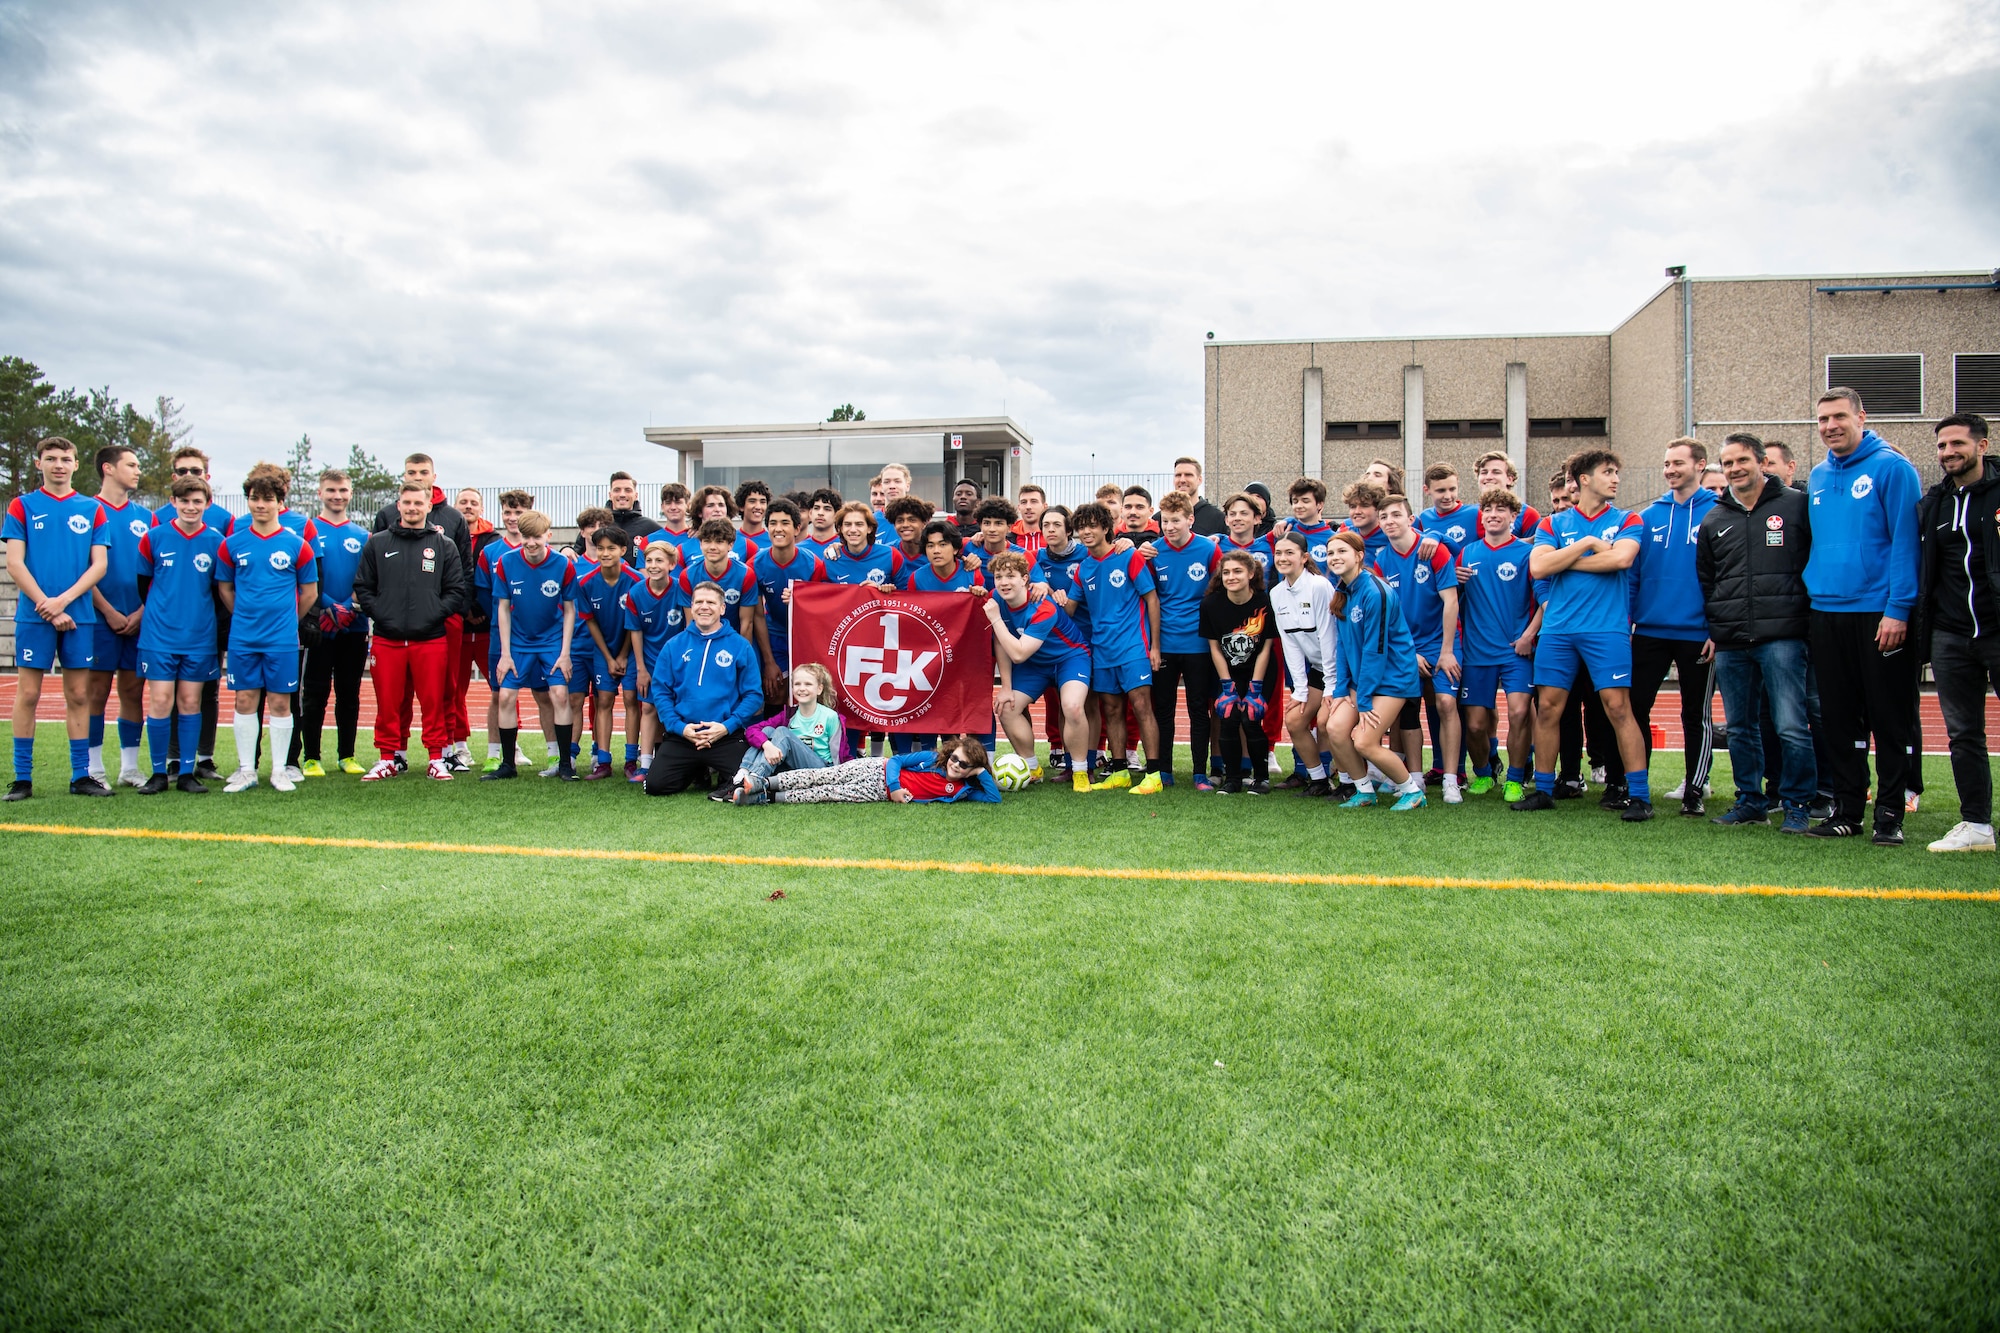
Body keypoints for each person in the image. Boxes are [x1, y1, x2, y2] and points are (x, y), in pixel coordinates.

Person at [1802, 387, 1922, 844]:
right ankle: (1848, 811)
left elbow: (1906, 544)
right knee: (1838, 719)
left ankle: (1890, 814)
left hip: (1878, 613)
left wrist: (1897, 609)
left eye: (1838, 417)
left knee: (1888, 719)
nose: (1830, 426)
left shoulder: (1893, 468)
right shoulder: (1816, 475)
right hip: (1826, 612)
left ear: (1860, 417)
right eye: (1822, 420)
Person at [1514, 449, 1655, 820]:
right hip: (1558, 630)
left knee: (1618, 708)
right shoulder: (1552, 524)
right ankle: (1544, 790)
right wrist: (1588, 545)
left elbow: (1621, 559)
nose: (1616, 479)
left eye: (1616, 472)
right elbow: (1539, 567)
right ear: (1584, 480)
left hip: (1606, 629)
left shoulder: (1629, 518)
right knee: (1547, 709)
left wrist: (1564, 560)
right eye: (1608, 472)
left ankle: (1639, 795)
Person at [1698, 434, 1817, 834]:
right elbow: (1708, 579)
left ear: (1762, 461)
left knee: (1789, 724)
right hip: (1731, 639)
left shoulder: (1796, 506)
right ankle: (1751, 800)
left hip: (1783, 635)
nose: (1734, 469)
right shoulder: (1715, 518)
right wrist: (1717, 626)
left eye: (1742, 460)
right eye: (1727, 462)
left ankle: (1798, 803)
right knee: (1740, 727)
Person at [4, 436, 111, 798]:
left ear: (76, 464)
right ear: (39, 464)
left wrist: (63, 601)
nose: (58, 465)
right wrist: (46, 605)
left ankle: (81, 776)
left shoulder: (92, 508)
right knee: (29, 694)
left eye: (66, 458)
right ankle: (22, 778)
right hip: (35, 616)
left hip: (78, 615)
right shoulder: (22, 506)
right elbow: (15, 562)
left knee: (79, 694)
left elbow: (99, 565)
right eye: (50, 458)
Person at [1916, 412, 1999, 852]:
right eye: (1942, 446)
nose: (1948, 452)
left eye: (1957, 444)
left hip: (1997, 629)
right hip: (1950, 635)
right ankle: (1977, 827)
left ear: (1982, 446)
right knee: (1964, 734)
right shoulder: (1936, 503)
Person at [1628, 437, 1719, 816]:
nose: (1670, 470)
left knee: (1694, 713)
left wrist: (1718, 629)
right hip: (1649, 630)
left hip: (1698, 634)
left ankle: (1695, 791)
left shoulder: (1719, 512)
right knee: (1635, 707)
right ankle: (1635, 785)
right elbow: (1633, 576)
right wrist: (1629, 620)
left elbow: (1726, 577)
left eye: (1678, 463)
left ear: (1700, 465)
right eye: (1666, 464)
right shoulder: (1648, 516)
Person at [353, 481, 468, 780]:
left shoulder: (444, 545)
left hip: (430, 638)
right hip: (387, 639)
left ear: (429, 506)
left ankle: (436, 758)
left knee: (434, 702)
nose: (413, 508)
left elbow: (456, 590)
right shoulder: (378, 543)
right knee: (388, 703)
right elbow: (363, 587)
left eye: (419, 503)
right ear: (399, 506)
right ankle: (387, 758)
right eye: (407, 503)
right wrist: (382, 615)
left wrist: (433, 615)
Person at [215, 466, 318, 793]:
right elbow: (225, 589)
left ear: (279, 502)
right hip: (244, 637)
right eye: (254, 498)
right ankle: (247, 770)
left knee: (280, 703)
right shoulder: (232, 544)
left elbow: (310, 593)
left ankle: (279, 770)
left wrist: (288, 619)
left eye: (267, 499)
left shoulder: (297, 544)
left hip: (282, 638)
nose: (260, 505)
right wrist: (244, 615)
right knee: (245, 699)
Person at [134, 475, 226, 794]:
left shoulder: (216, 542)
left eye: (196, 501)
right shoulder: (154, 537)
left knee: (190, 701)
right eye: (184, 501)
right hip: (159, 636)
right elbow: (144, 585)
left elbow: (219, 592)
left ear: (207, 504)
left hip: (199, 637)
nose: (190, 507)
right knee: (160, 700)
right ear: (173, 502)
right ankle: (159, 772)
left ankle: (187, 772)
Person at [1064, 501, 1164, 794]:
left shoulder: (1128, 556)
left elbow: (1152, 600)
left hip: (1133, 646)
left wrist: (1155, 647)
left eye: (1092, 525)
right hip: (1101, 649)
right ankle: (1119, 771)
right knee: (1111, 710)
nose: (1086, 531)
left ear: (1106, 528)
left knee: (1142, 707)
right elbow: (1069, 609)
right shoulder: (1084, 568)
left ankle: (1154, 774)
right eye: (1081, 527)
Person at [1324, 530, 1426, 810]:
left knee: (1364, 742)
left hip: (1393, 679)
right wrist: (1343, 689)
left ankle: (1412, 791)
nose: (1335, 557)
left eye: (1342, 551)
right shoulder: (1342, 592)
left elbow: (1376, 650)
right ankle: (1364, 790)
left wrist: (1364, 699)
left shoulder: (1375, 591)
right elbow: (1343, 646)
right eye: (1331, 553)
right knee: (1333, 727)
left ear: (1359, 556)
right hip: (1364, 681)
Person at [151, 446, 234, 780]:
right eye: (183, 471)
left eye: (196, 472)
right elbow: (150, 580)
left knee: (205, 692)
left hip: (207, 621)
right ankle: (173, 761)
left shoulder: (223, 523)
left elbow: (225, 575)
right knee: (168, 694)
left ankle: (204, 758)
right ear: (174, 479)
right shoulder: (157, 522)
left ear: (206, 478)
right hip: (168, 624)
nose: (189, 477)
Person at [1456, 488, 1543, 803]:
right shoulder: (1467, 554)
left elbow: (1546, 602)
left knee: (1520, 712)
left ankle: (1516, 779)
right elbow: (1452, 601)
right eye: (1488, 509)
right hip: (1477, 653)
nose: (1493, 514)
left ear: (1513, 517)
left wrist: (1528, 635)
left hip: (1515, 651)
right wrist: (1456, 581)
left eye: (1500, 510)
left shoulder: (1527, 553)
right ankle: (1483, 773)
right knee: (1476, 725)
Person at [1375, 494, 1462, 802]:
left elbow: (1450, 602)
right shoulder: (1382, 560)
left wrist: (1447, 651)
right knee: (1407, 707)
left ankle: (1451, 779)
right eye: (1384, 517)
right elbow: (1387, 615)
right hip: (1406, 647)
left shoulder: (1433, 551)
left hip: (1442, 643)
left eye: (1396, 515)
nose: (1389, 522)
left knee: (1445, 704)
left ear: (1411, 519)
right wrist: (1410, 653)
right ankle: (1414, 777)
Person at [985, 552, 1094, 792]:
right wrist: (1005, 688)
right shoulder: (996, 598)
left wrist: (995, 620)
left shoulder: (1042, 607)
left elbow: (1019, 653)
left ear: (1025, 579)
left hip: (1069, 657)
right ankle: (1032, 768)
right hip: (1036, 663)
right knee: (1007, 708)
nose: (1003, 582)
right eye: (998, 576)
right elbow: (1001, 644)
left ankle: (1079, 770)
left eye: (1010, 576)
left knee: (1073, 707)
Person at [484, 510, 579, 782]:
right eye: (526, 537)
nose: (531, 542)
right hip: (517, 643)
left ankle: (564, 765)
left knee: (560, 695)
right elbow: (502, 608)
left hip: (551, 642)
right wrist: (504, 653)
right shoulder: (506, 562)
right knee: (504, 697)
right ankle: (507, 764)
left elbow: (570, 610)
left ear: (548, 536)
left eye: (537, 537)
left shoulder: (563, 564)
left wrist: (565, 653)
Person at [644, 582, 763, 796]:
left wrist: (727, 726)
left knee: (745, 782)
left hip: (724, 735)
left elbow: (754, 695)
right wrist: (679, 727)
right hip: (684, 734)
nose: (704, 607)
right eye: (699, 602)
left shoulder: (740, 645)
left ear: (722, 608)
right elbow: (660, 691)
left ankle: (709, 768)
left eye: (711, 602)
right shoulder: (674, 645)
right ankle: (697, 768)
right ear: (691, 607)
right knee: (655, 786)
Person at [291, 468, 372, 778]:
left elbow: (367, 579)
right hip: (319, 626)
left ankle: (347, 755)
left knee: (349, 692)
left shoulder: (362, 535)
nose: (337, 496)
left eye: (342, 491)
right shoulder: (307, 531)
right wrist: (326, 607)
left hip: (353, 624)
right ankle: (311, 756)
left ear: (350, 494)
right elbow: (306, 578)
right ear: (320, 493)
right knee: (314, 692)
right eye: (331, 491)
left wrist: (349, 607)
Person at [85, 443, 151, 787]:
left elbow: (155, 573)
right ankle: (94, 769)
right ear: (108, 468)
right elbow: (82, 568)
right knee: (95, 691)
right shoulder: (86, 510)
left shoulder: (145, 517)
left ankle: (129, 768)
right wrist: (108, 611)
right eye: (131, 464)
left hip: (138, 619)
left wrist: (140, 611)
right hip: (98, 618)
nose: (138, 470)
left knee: (133, 691)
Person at [1146, 492, 1220, 789]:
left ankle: (1200, 773)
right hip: (1164, 644)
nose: (1170, 526)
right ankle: (1165, 770)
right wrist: (1154, 644)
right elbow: (1149, 599)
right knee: (1163, 709)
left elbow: (1219, 592)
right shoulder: (1153, 552)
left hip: (1199, 645)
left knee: (1198, 709)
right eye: (1165, 521)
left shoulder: (1208, 550)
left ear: (1190, 519)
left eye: (1176, 520)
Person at [1201, 549, 1279, 795]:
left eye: (1237, 571)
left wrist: (1256, 688)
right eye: (1226, 572)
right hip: (1228, 671)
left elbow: (1266, 647)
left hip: (1260, 670)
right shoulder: (1211, 604)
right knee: (1228, 718)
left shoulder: (1264, 601)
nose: (1231, 577)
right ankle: (1233, 778)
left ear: (1251, 573)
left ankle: (1261, 778)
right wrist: (1227, 685)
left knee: (1251, 718)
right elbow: (1214, 647)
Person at [1267, 533, 1335, 797]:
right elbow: (1290, 644)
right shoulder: (1276, 592)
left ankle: (1353, 781)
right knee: (1295, 720)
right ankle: (1318, 780)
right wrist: (1300, 690)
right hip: (1318, 670)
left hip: (1341, 669)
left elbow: (1329, 638)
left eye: (1289, 553)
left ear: (1304, 558)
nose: (1282, 558)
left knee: (1330, 723)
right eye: (1278, 553)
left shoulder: (1319, 586)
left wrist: (1330, 688)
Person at [730, 662, 851, 804]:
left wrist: (843, 779)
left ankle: (755, 777)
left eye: (808, 684)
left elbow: (840, 754)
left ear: (819, 689)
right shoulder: (789, 714)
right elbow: (752, 730)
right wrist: (767, 745)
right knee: (767, 731)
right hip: (793, 769)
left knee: (782, 732)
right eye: (797, 684)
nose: (802, 688)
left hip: (821, 771)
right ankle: (746, 779)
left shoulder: (830, 717)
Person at [573, 525, 641, 780]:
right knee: (603, 700)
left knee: (632, 699)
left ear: (623, 550)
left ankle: (632, 760)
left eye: (611, 548)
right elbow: (590, 622)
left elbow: (634, 623)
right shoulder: (587, 582)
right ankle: (603, 761)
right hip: (603, 651)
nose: (605, 553)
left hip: (631, 649)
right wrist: (609, 657)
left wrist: (623, 655)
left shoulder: (636, 581)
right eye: (600, 548)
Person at [761, 734, 1000, 804]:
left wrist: (980, 773)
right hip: (877, 770)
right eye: (955, 758)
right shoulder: (932, 757)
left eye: (964, 765)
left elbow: (993, 798)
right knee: (823, 776)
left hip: (876, 793)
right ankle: (765, 783)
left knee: (829, 793)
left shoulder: (963, 790)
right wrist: (895, 788)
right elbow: (896, 761)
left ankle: (768, 798)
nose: (956, 765)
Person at [474, 489, 531, 770]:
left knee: (545, 694)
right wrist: (501, 618)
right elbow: (485, 594)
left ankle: (554, 754)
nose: (512, 518)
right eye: (507, 513)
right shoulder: (490, 552)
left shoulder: (538, 549)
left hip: (535, 634)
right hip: (501, 633)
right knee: (499, 693)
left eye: (518, 513)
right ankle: (495, 752)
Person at [622, 539, 688, 784]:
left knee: (680, 708)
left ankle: (684, 762)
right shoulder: (637, 592)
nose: (653, 565)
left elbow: (688, 626)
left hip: (678, 658)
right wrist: (640, 668)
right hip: (649, 659)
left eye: (659, 560)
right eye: (649, 560)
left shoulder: (681, 587)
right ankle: (645, 764)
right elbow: (636, 633)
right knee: (649, 708)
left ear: (672, 564)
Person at [750, 498, 827, 704]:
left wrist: (801, 602)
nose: (778, 529)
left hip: (804, 639)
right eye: (773, 523)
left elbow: (823, 610)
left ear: (797, 528)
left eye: (785, 523)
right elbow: (757, 615)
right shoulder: (755, 564)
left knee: (807, 696)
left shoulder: (813, 564)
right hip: (773, 636)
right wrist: (768, 661)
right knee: (775, 693)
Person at [675, 518, 763, 639]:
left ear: (730, 545)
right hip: (701, 638)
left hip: (735, 638)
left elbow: (746, 624)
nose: (712, 547)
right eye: (707, 541)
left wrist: (742, 654)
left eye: (719, 542)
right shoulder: (688, 576)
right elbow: (691, 623)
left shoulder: (746, 575)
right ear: (700, 544)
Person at [823, 502, 906, 589]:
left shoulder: (891, 556)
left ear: (869, 528)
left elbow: (905, 596)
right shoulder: (831, 560)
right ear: (840, 529)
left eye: (859, 524)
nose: (853, 530)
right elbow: (825, 597)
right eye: (847, 524)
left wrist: (884, 593)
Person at [906, 520, 988, 593]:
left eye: (942, 545)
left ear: (955, 549)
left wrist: (980, 593)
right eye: (930, 546)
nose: (936, 551)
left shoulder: (973, 574)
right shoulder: (916, 578)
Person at [1474, 451, 1542, 537]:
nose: (1488, 477)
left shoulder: (1528, 514)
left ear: (1510, 479)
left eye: (1496, 472)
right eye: (1484, 472)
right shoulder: (1471, 514)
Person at [1415, 463, 1476, 558]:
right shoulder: (1424, 517)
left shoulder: (1475, 514)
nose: (1447, 496)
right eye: (1441, 491)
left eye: (1452, 489)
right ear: (1426, 490)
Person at [1169, 456, 1227, 535]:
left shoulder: (1217, 518)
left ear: (1199, 480)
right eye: (1178, 475)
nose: (1182, 480)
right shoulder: (1160, 518)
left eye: (1188, 475)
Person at [1338, 481, 1392, 564]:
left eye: (1364, 506)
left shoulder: (1391, 535)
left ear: (1378, 509)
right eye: (1353, 506)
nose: (1357, 511)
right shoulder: (1343, 536)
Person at [961, 499, 1021, 571]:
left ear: (1009, 527)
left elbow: (1037, 581)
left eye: (998, 523)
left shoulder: (1022, 555)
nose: (992, 529)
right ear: (980, 526)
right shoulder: (964, 545)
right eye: (987, 523)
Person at [884, 495, 934, 565]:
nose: (905, 525)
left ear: (924, 523)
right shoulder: (887, 553)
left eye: (912, 520)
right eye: (900, 520)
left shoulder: (935, 553)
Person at [803, 488, 845, 559]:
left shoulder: (845, 547)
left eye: (827, 509)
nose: (820, 513)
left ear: (837, 515)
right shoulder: (798, 550)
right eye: (816, 508)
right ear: (810, 513)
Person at [734, 479, 773, 553]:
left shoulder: (773, 541)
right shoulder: (730, 539)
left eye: (762, 502)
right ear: (741, 506)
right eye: (752, 501)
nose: (758, 507)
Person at [1011, 484, 1049, 554]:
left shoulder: (1053, 535)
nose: (1028, 507)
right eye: (1024, 502)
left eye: (1034, 501)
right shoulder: (1007, 538)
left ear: (1045, 506)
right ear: (1019, 507)